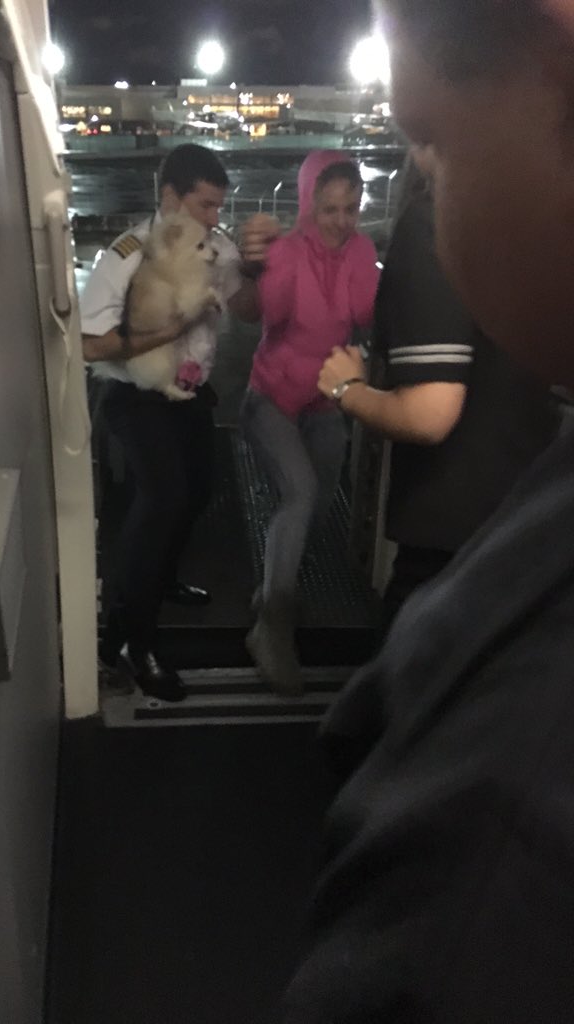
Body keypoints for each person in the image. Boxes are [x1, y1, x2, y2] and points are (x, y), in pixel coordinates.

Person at [281, 2, 574, 1021]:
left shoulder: (506, 782)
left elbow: (433, 409)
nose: (423, 181)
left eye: (432, 140)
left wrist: (348, 388)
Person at [317, 154, 559, 628]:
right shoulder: (540, 214)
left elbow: (429, 414)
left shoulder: (442, 220)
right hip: (532, 514)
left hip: (451, 536)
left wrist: (347, 388)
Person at [80, 143, 278, 702]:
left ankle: (160, 580)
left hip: (188, 393)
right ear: (171, 197)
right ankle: (128, 639)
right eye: (206, 205)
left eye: (219, 207)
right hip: (136, 394)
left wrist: (256, 269)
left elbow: (248, 310)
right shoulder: (129, 253)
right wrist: (173, 329)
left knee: (197, 495)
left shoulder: (218, 247)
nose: (216, 218)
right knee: (162, 501)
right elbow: (91, 344)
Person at [240, 151, 379, 695]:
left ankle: (273, 587)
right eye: (329, 209)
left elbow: (365, 316)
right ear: (307, 205)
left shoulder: (362, 251)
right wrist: (259, 263)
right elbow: (259, 313)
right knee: (298, 493)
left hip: (324, 399)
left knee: (320, 499)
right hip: (269, 397)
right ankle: (272, 626)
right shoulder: (285, 252)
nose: (341, 221)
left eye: (351, 209)